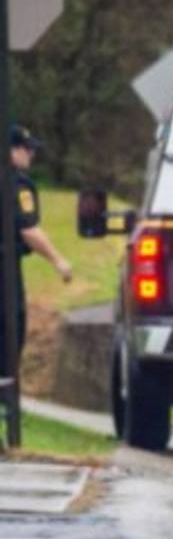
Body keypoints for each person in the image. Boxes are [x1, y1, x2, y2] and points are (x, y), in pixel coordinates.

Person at [1, 126, 72, 374]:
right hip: (5, 269)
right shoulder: (18, 184)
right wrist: (59, 261)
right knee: (10, 328)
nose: (31, 155)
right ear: (15, 149)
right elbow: (28, 230)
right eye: (28, 149)